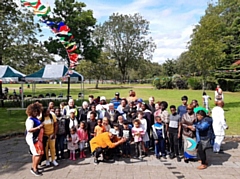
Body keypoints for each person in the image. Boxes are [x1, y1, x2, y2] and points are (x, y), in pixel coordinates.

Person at [25, 103, 44, 176]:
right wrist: (39, 127)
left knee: (35, 153)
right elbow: (29, 129)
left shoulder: (34, 117)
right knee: (38, 154)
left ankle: (34, 166)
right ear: (31, 111)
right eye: (34, 111)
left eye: (37, 111)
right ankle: (34, 169)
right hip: (33, 139)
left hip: (37, 138)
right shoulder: (30, 120)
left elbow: (39, 117)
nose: (36, 113)